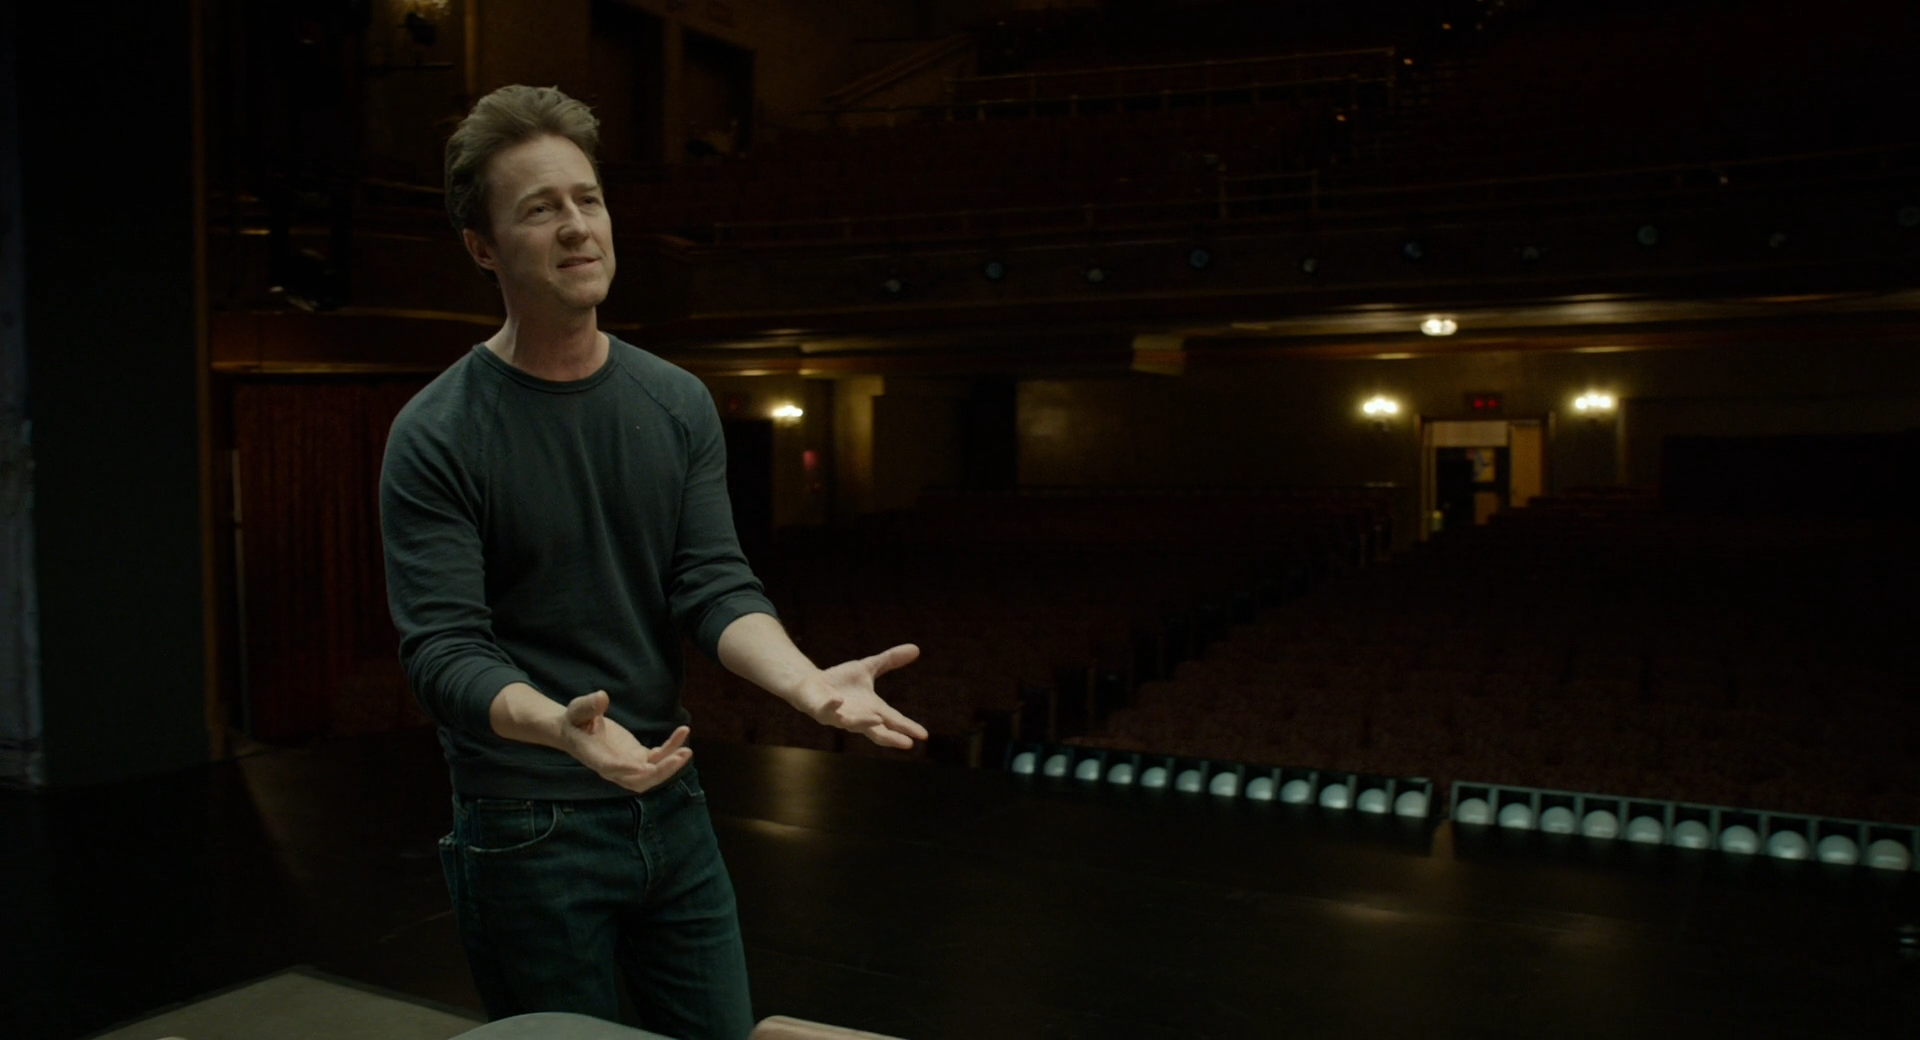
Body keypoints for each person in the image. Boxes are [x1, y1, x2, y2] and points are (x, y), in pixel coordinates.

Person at [379, 84, 927, 1040]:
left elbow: (711, 585)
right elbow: (443, 653)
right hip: (525, 821)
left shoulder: (675, 401)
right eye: (539, 208)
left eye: (587, 199)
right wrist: (560, 728)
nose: (576, 226)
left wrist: (806, 684)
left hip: (668, 799)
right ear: (482, 247)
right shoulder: (437, 432)